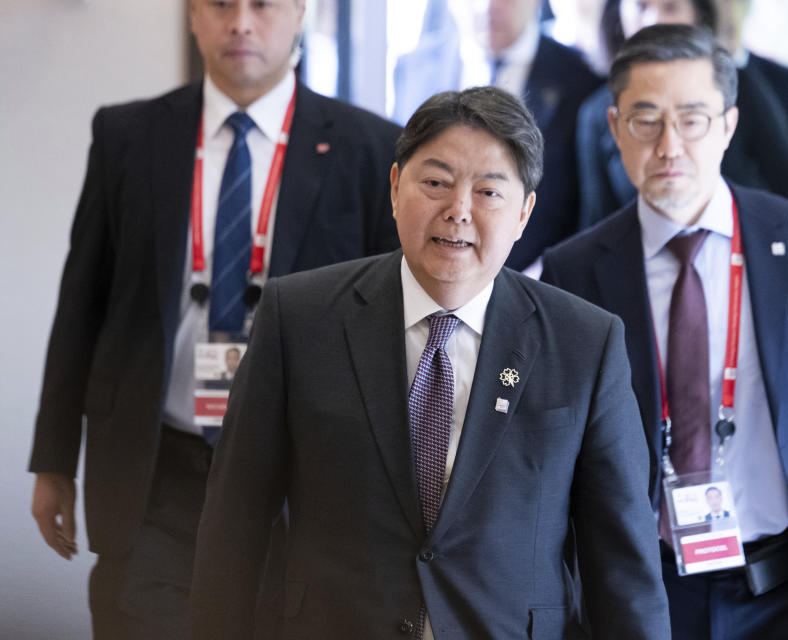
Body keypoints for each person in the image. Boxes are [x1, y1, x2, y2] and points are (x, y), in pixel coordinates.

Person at [190, 86, 670, 639]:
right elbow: (234, 526)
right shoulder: (298, 318)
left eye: (489, 191)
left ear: (524, 213)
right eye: (436, 182)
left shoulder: (586, 342)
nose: (458, 211)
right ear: (395, 188)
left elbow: (623, 566)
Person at [28, 1, 401, 637]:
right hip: (158, 469)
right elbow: (82, 300)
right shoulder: (129, 135)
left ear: (301, 14)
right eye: (221, 3)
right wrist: (55, 458)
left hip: (304, 477)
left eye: (264, 5)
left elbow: (388, 328)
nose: (242, 23)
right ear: (193, 16)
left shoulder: (371, 147)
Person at [542, 24, 788, 640]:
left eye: (693, 119)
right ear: (614, 129)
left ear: (729, 126)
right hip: (647, 592)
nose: (670, 145)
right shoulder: (575, 270)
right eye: (646, 120)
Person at [576, 0, 788, 231]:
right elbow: (595, 226)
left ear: (698, 16)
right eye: (641, 6)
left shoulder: (739, 90)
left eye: (670, 7)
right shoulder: (595, 114)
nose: (652, 21)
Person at [392, 0, 602, 271]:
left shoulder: (582, 82)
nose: (488, 7)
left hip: (541, 282)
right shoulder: (414, 69)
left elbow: (588, 210)